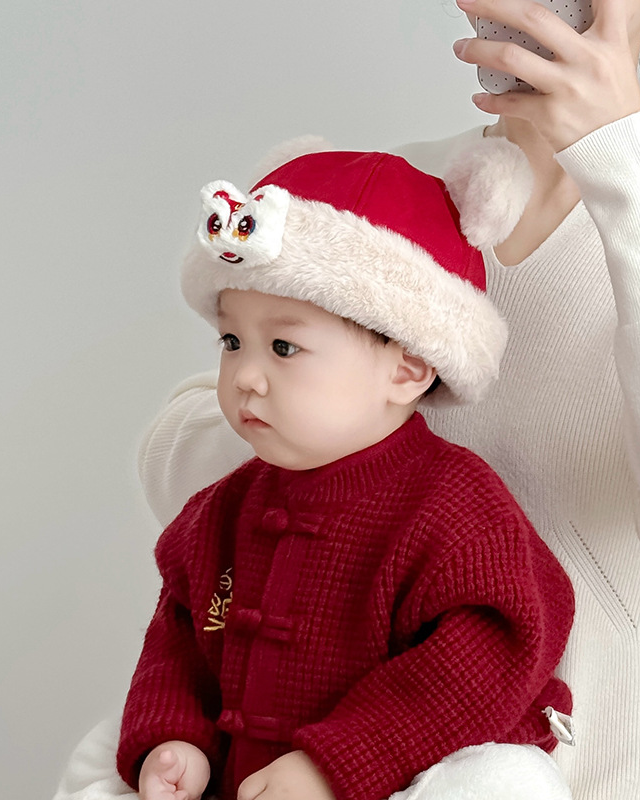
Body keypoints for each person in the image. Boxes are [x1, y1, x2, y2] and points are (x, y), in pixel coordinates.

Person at [53, 1, 640, 798]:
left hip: (625, 774)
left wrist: (621, 157)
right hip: (316, 772)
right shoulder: (403, 192)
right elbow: (196, 475)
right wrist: (358, 458)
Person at [114, 150, 575, 800]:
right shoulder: (223, 512)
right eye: (230, 342)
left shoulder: (452, 507)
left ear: (409, 369)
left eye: (283, 347)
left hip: (390, 782)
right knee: (100, 770)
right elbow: (190, 634)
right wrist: (175, 737)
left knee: (506, 783)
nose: (245, 374)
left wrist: (335, 763)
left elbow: (484, 662)